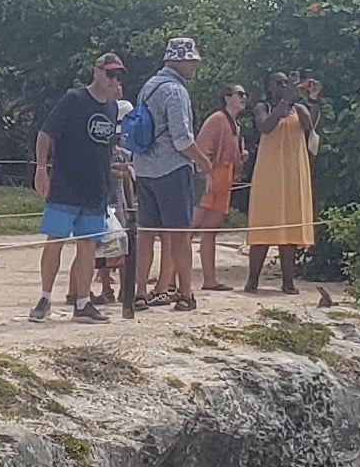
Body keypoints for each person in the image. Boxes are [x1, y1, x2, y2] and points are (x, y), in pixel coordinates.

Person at [30, 48, 124, 322]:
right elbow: (46, 134)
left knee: (88, 246)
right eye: (110, 74)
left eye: (118, 75)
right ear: (96, 71)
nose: (114, 80)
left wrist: (111, 172)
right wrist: (41, 168)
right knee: (55, 241)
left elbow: (103, 146)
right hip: (66, 183)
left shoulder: (112, 106)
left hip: (96, 187)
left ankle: (83, 302)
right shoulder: (74, 99)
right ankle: (45, 298)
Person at [126, 33, 203, 310]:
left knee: (146, 232)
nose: (194, 65)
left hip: (144, 167)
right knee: (179, 233)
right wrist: (203, 161)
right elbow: (182, 138)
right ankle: (184, 293)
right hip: (171, 168)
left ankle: (140, 292)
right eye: (190, 60)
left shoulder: (147, 87)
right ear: (177, 61)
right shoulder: (176, 91)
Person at [245, 72, 323, 295]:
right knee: (263, 226)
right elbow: (265, 127)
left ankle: (288, 281)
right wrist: (284, 102)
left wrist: (313, 99)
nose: (283, 85)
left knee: (290, 227)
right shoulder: (263, 107)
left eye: (286, 83)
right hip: (269, 174)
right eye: (278, 83)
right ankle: (253, 280)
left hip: (292, 173)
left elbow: (310, 125)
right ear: (269, 87)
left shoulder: (298, 109)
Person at [194, 80, 249, 294]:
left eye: (244, 94)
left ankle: (210, 278)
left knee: (211, 231)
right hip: (211, 176)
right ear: (227, 98)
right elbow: (202, 148)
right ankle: (171, 278)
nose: (244, 98)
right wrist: (205, 174)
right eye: (239, 94)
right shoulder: (217, 119)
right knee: (190, 228)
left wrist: (240, 158)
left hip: (226, 178)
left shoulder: (235, 124)